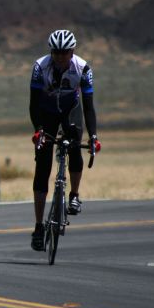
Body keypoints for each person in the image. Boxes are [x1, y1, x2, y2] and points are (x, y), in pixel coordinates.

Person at [29, 29, 99, 251]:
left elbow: (88, 106)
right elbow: (33, 103)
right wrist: (39, 129)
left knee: (75, 147)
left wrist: (94, 135)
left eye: (64, 52)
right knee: (42, 166)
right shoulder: (40, 67)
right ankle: (39, 227)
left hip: (71, 110)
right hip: (47, 112)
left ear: (72, 51)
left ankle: (75, 195)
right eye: (56, 52)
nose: (59, 57)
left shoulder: (83, 68)